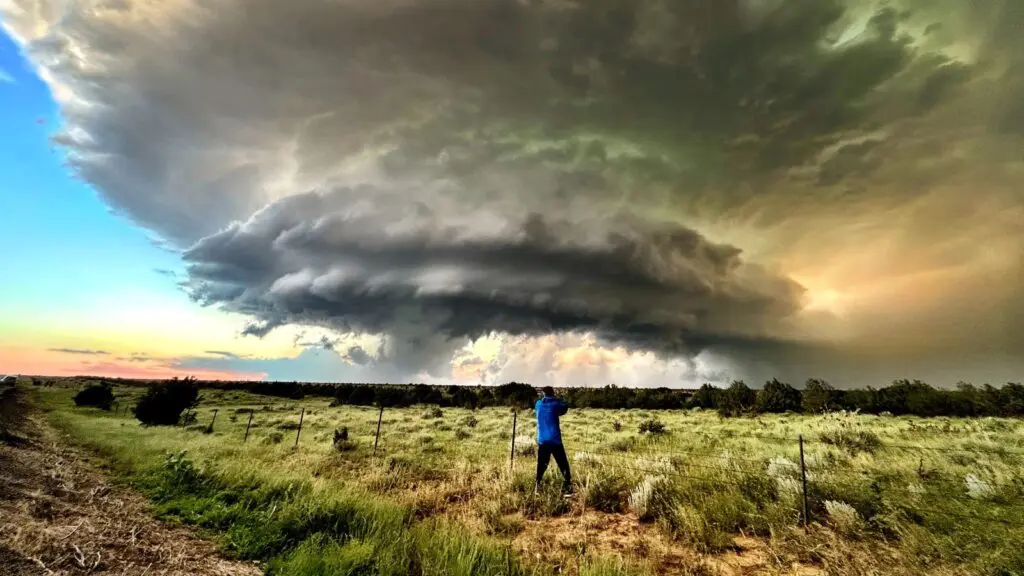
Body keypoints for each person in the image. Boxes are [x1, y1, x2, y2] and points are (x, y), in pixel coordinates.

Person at [535, 385, 572, 495]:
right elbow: (565, 406)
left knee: (541, 465)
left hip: (542, 439)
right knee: (563, 464)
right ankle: (567, 489)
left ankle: (538, 486)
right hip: (555, 440)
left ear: (543, 394)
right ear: (553, 393)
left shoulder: (538, 404)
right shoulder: (556, 404)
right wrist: (558, 398)